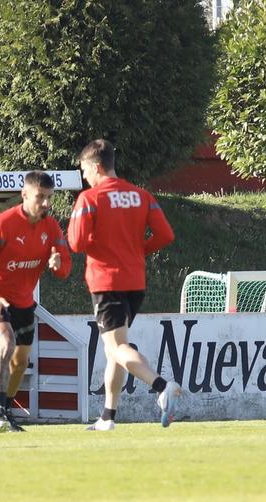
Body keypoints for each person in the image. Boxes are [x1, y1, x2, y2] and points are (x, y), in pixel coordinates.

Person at [68, 139, 180, 431]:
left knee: (117, 346)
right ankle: (108, 416)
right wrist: (137, 250)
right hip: (135, 281)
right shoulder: (140, 195)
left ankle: (161, 386)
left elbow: (76, 243)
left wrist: (101, 244)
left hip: (107, 281)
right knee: (113, 349)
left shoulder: (90, 199)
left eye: (84, 170)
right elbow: (165, 235)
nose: (84, 177)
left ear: (95, 166)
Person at [0, 171, 70, 433]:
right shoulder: (1, 226)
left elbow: (64, 267)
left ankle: (8, 410)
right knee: (5, 344)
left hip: (24, 302)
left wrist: (58, 265)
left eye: (49, 198)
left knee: (20, 362)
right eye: (40, 197)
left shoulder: (51, 227)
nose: (46, 204)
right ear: (24, 195)